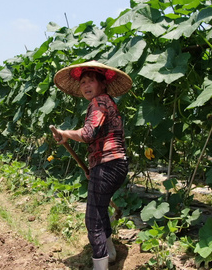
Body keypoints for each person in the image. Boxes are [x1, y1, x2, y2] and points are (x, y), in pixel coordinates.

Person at [52, 60, 132, 270]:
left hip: (109, 165)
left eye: (91, 81)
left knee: (93, 218)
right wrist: (95, 170)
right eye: (82, 82)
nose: (86, 85)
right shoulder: (108, 102)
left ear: (103, 84)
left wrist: (65, 133)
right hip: (116, 165)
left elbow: (88, 134)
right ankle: (111, 254)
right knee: (101, 208)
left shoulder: (99, 103)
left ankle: (100, 266)